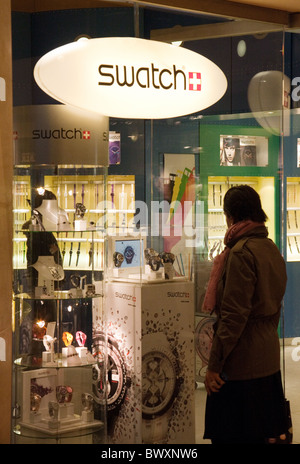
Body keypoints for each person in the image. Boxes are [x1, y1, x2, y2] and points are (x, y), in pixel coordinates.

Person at [202, 185, 289, 444]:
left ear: (230, 216)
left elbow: (233, 317)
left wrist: (214, 365)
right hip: (268, 359)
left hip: (241, 368)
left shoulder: (240, 253)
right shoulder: (270, 247)